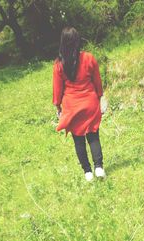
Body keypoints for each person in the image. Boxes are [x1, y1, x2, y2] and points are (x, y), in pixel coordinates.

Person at [52, 26, 106, 182]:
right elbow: (97, 81)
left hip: (72, 107)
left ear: (62, 43)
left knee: (78, 140)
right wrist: (100, 97)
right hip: (90, 103)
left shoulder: (59, 65)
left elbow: (57, 90)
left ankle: (87, 172)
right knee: (93, 136)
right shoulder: (89, 58)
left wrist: (58, 107)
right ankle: (99, 168)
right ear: (77, 41)